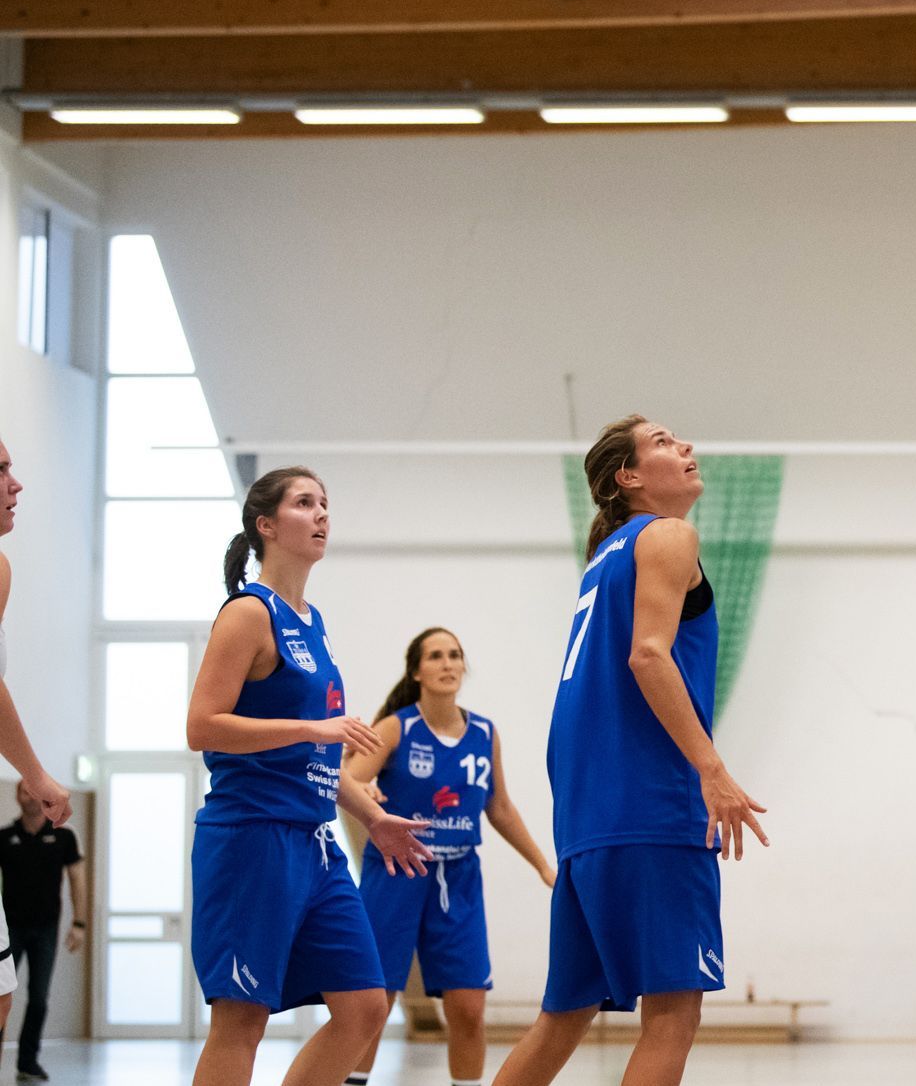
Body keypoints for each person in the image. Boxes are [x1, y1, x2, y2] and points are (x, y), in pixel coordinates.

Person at [490, 418, 768, 1086]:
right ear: (630, 477)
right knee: (672, 1017)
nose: (688, 448)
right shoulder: (668, 536)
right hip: (652, 808)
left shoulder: (605, 557)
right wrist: (713, 769)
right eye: (667, 443)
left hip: (589, 821)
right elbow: (649, 654)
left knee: (563, 1018)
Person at [185, 467, 432, 1086]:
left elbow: (317, 758)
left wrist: (373, 817)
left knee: (365, 1007)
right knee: (241, 1020)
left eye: (325, 503)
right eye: (304, 503)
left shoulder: (312, 622)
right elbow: (202, 726)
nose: (322, 513)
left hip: (316, 842)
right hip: (251, 837)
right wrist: (309, 729)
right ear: (266, 525)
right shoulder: (248, 612)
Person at [344, 627, 557, 1086]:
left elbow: (498, 808)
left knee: (469, 1008)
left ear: (464, 667)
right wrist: (367, 787)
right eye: (436, 656)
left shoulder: (484, 732)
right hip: (397, 872)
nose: (447, 663)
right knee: (372, 1004)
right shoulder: (397, 727)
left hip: (457, 877)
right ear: (417, 671)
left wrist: (542, 864)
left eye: (455, 655)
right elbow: (348, 780)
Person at [0, 437, 73, 1081]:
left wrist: (35, 773)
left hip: (43, 924)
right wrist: (36, 772)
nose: (16, 484)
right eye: (2, 470)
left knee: (7, 998)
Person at [0, 782, 89, 1083]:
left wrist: (79, 923)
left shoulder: (64, 836)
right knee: (1, 998)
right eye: (24, 791)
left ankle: (27, 1062)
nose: (30, 797)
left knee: (38, 998)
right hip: (8, 932)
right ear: (17, 796)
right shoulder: (4, 837)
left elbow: (77, 878)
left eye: (35, 792)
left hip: (45, 930)